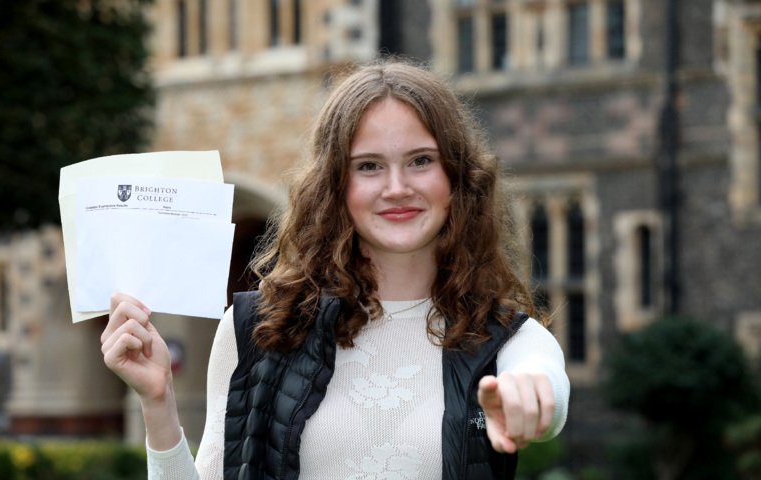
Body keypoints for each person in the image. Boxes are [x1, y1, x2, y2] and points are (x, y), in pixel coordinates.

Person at [101, 60, 570, 480]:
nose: (397, 187)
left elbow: (542, 385)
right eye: (368, 166)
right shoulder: (255, 328)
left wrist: (527, 396)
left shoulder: (509, 338)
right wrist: (157, 399)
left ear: (457, 176)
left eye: (421, 161)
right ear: (334, 185)